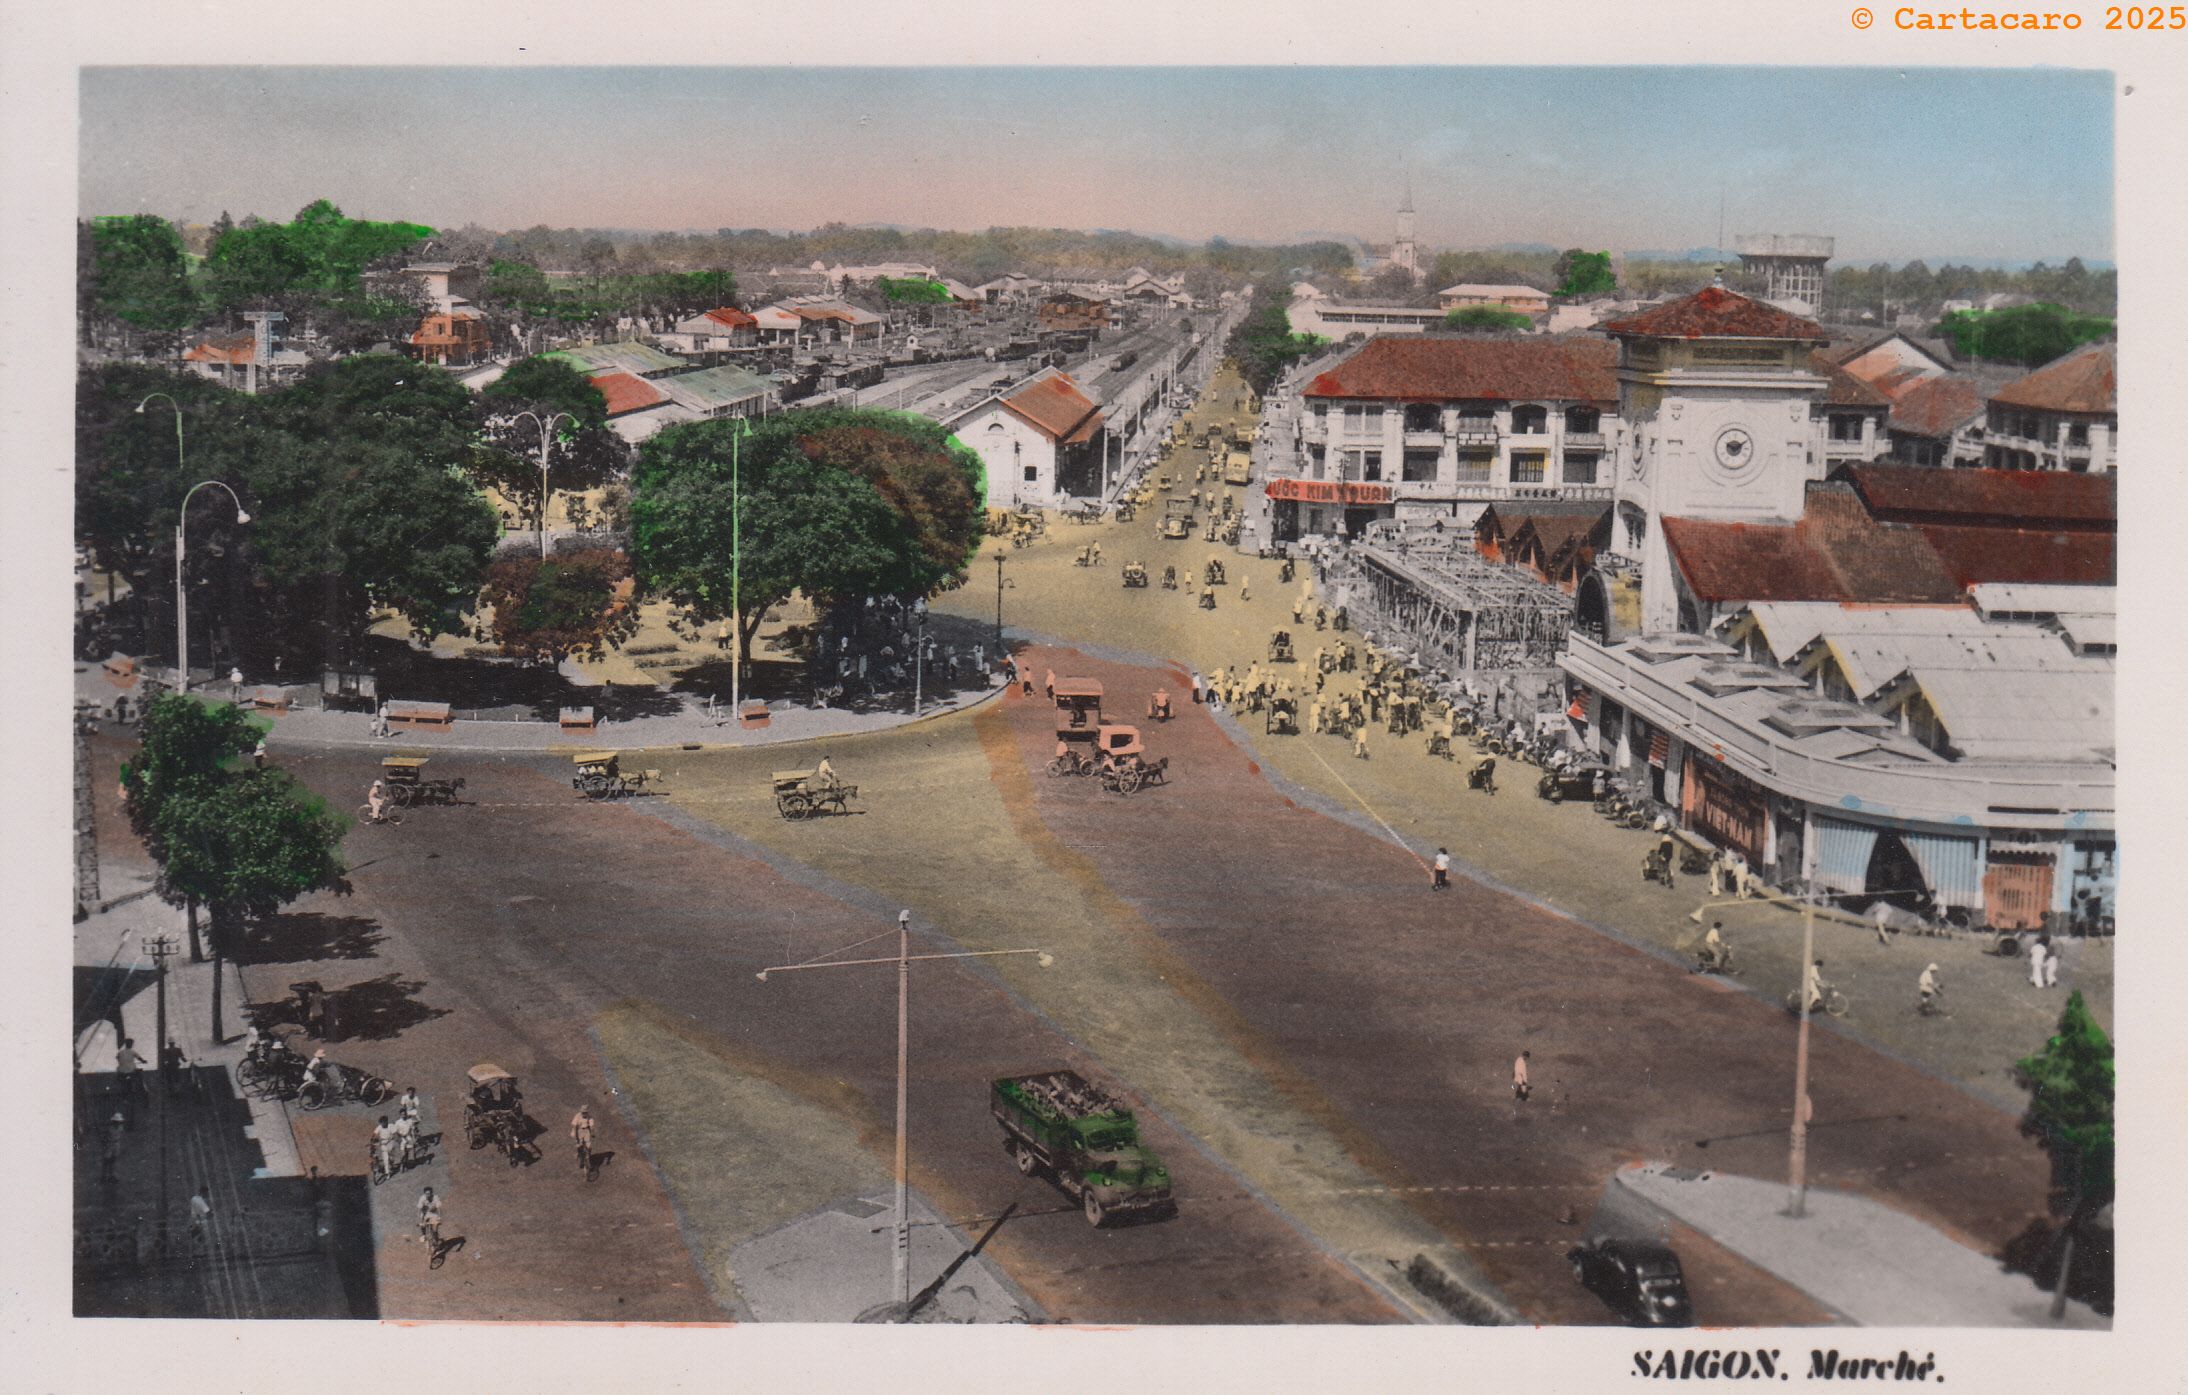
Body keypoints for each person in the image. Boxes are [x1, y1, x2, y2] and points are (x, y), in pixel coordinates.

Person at [572, 1105, 598, 1173]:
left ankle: (588, 1159)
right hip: (579, 1131)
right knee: (579, 1146)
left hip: (586, 1131)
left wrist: (592, 1133)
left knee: (589, 1146)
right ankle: (580, 1158)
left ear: (587, 1112)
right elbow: (575, 1127)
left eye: (585, 1112)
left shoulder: (590, 1117)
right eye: (583, 1112)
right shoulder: (577, 1116)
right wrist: (576, 1137)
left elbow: (591, 1126)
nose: (584, 1114)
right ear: (581, 1112)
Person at [101, 1112, 125, 1183]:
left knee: (113, 1160)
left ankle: (112, 1176)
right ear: (114, 1121)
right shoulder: (109, 1128)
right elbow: (104, 1137)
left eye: (119, 1122)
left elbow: (121, 1135)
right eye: (117, 1122)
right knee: (106, 1160)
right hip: (109, 1144)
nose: (118, 1123)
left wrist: (120, 1144)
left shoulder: (121, 1127)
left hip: (116, 1144)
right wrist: (105, 1144)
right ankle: (104, 1176)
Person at [417, 1187, 442, 1253]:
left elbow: (438, 1207)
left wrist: (439, 1217)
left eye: (429, 1193)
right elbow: (419, 1209)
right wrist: (420, 1221)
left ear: (432, 1193)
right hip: (425, 1213)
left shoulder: (435, 1197)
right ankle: (423, 1235)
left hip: (433, 1214)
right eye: (426, 1194)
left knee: (435, 1229)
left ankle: (436, 1241)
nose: (428, 1195)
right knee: (422, 1223)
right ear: (424, 1194)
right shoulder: (422, 1198)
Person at [373, 1116, 398, 1181]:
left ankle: (392, 1164)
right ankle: (387, 1173)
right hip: (383, 1144)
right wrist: (374, 1139)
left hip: (390, 1143)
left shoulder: (391, 1126)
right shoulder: (379, 1127)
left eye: (383, 1122)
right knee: (385, 1160)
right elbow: (375, 1133)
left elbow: (395, 1134)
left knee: (391, 1158)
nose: (382, 1124)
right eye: (381, 1123)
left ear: (386, 1122)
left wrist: (392, 1138)